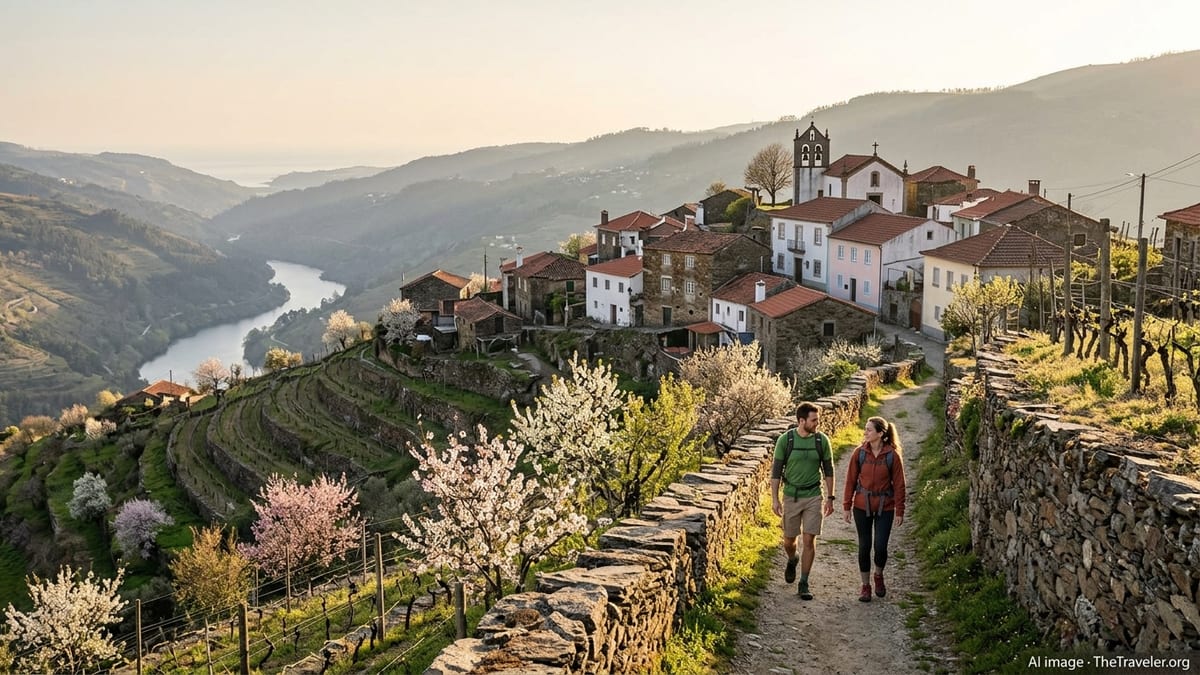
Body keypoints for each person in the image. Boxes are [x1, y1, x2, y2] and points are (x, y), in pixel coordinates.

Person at [771, 402, 835, 600]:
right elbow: (776, 472)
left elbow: (829, 470)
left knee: (809, 539)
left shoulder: (821, 441)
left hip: (814, 495)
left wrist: (830, 497)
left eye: (817, 419)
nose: (817, 423)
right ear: (801, 421)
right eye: (814, 420)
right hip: (791, 495)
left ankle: (804, 582)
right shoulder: (785, 440)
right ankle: (792, 558)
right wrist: (775, 499)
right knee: (789, 540)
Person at [842, 416, 906, 602]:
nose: (865, 432)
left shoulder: (892, 456)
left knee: (880, 546)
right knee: (864, 546)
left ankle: (878, 575)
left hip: (885, 507)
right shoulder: (859, 453)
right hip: (862, 506)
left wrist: (899, 510)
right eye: (865, 429)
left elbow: (900, 485)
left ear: (880, 433)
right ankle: (865, 586)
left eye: (869, 430)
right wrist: (847, 506)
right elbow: (850, 481)